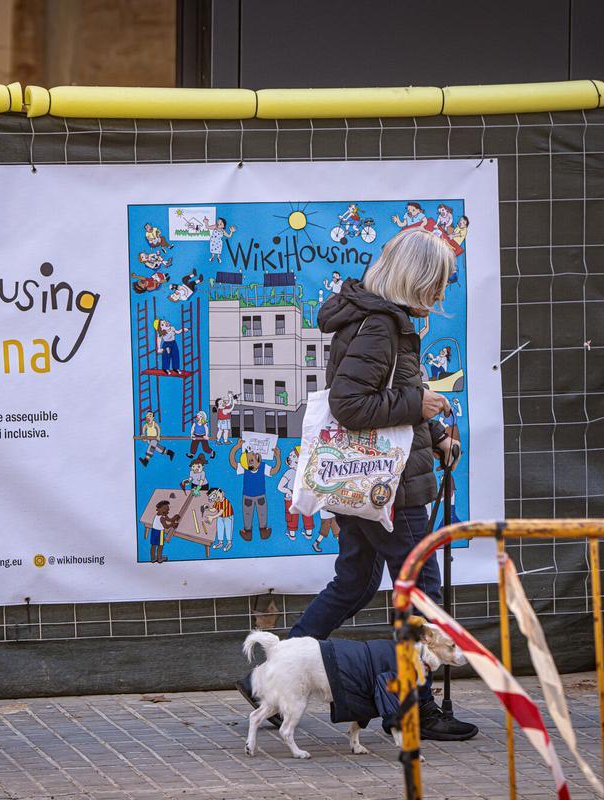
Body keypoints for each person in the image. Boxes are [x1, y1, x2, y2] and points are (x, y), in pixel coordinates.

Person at [236, 230, 477, 742]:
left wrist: (433, 434)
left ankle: (268, 678)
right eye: (438, 282)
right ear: (416, 277)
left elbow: (393, 393)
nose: (442, 292)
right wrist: (420, 409)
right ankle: (414, 707)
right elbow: (350, 406)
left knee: (356, 583)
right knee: (420, 593)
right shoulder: (381, 326)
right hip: (388, 491)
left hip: (363, 484)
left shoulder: (378, 320)